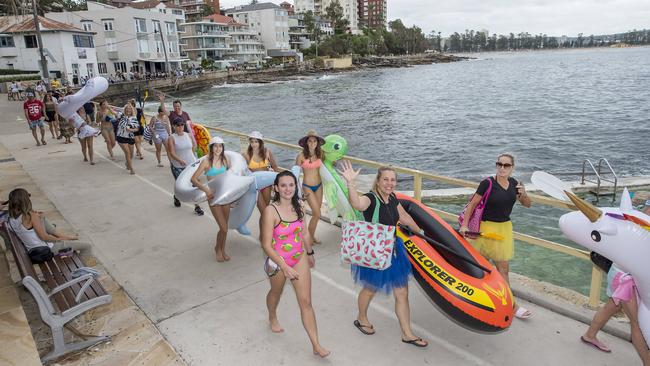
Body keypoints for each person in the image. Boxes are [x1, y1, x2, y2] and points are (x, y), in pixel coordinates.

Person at [339, 161, 429, 347]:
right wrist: (350, 183)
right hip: (375, 252)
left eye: (393, 180)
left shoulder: (393, 197)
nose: (390, 183)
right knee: (370, 289)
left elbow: (404, 217)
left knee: (402, 292)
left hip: (393, 249)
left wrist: (421, 234)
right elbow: (357, 204)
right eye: (385, 179)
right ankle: (361, 318)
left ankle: (407, 333)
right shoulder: (371, 198)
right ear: (378, 181)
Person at [260, 171, 330, 358]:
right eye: (283, 185)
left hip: (298, 258)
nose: (288, 189)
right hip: (277, 262)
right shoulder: (270, 211)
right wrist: (284, 266)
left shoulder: (299, 205)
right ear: (276, 188)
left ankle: (316, 344)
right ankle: (272, 315)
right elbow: (266, 244)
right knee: (276, 292)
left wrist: (309, 252)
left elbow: (304, 233)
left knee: (306, 302)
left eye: (291, 185)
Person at [459, 153, 532, 319]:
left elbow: (527, 205)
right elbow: (472, 205)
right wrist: (464, 225)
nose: (502, 168)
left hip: (503, 230)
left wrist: (524, 193)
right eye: (499, 164)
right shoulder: (487, 183)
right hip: (484, 230)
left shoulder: (515, 184)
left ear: (512, 168)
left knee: (503, 270)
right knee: (478, 268)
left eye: (506, 165)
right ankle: (473, 299)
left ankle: (511, 305)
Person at [581, 264, 650, 365]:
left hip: (616, 272)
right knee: (637, 324)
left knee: (612, 306)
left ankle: (589, 335)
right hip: (627, 280)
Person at [6, 188, 90, 257]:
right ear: (25, 201)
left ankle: (63, 236)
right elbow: (44, 237)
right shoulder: (30, 216)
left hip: (33, 250)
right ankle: (84, 272)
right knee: (87, 246)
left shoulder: (10, 220)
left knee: (41, 217)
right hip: (46, 250)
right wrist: (59, 240)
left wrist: (39, 218)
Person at [191, 137, 231, 261]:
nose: (218, 148)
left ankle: (222, 249)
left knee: (224, 228)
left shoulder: (225, 159)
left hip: (226, 196)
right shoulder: (206, 162)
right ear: (211, 147)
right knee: (223, 227)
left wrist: (233, 196)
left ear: (223, 147)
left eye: (220, 146)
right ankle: (217, 249)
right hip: (213, 196)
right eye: (215, 146)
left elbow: (231, 177)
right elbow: (193, 179)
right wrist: (206, 190)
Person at [168, 117, 204, 216]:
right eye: (178, 125)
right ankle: (177, 196)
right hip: (178, 166)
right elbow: (171, 152)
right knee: (182, 186)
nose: (180, 127)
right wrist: (180, 160)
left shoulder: (188, 135)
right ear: (174, 126)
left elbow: (193, 147)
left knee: (193, 185)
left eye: (182, 125)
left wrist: (194, 159)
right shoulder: (172, 138)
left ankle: (197, 207)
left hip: (191, 165)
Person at [244, 131, 279, 234]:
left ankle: (262, 235)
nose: (254, 144)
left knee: (265, 212)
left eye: (256, 141)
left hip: (267, 185)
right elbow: (242, 172)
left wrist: (278, 182)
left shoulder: (267, 152)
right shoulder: (246, 155)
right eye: (252, 141)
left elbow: (275, 167)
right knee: (265, 212)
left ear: (260, 142)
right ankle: (268, 235)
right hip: (255, 187)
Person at [295, 130, 325, 244]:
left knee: (317, 214)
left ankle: (311, 236)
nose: (312, 143)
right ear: (306, 143)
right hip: (307, 186)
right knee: (317, 213)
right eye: (310, 141)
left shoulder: (321, 154)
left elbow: (328, 167)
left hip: (319, 185)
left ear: (317, 143)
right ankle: (309, 238)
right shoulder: (301, 156)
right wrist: (297, 191)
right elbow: (295, 173)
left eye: (314, 141)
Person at [116, 103, 140, 175]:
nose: (128, 110)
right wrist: (108, 107)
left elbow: (137, 128)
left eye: (129, 108)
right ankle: (131, 169)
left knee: (131, 154)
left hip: (130, 137)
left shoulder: (134, 118)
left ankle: (127, 163)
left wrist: (131, 130)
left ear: (131, 110)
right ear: (125, 110)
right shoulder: (121, 115)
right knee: (127, 153)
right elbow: (114, 112)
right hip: (121, 137)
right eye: (127, 108)